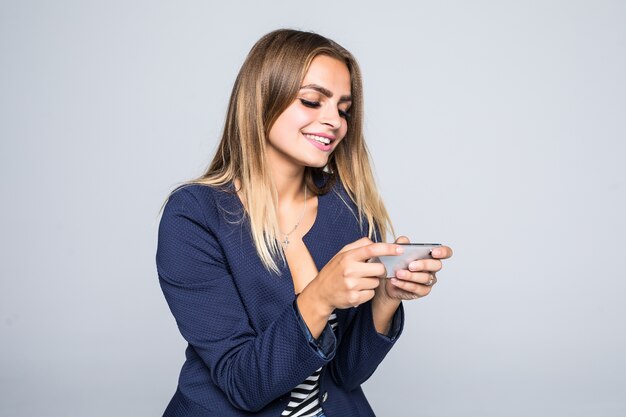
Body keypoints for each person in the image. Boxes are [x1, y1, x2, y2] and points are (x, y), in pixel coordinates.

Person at [156, 28, 453, 417]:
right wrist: (321, 294)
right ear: (262, 99)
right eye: (313, 101)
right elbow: (243, 385)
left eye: (343, 109)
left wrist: (386, 296)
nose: (334, 121)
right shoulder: (194, 215)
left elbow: (346, 374)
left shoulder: (349, 211)